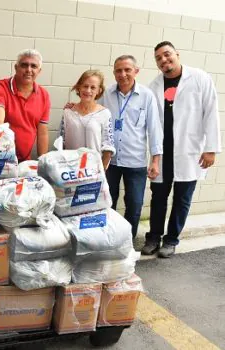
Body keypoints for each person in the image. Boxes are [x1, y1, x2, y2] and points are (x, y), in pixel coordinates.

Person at [142, 41, 221, 258]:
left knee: (182, 199)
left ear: (177, 54)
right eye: (159, 58)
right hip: (162, 152)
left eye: (167, 55)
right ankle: (153, 237)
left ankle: (171, 240)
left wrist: (211, 148)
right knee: (158, 197)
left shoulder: (199, 78)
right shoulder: (154, 86)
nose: (164, 60)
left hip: (190, 151)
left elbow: (211, 112)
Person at [99, 55, 163, 239]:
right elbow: (93, 112)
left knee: (134, 206)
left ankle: (127, 243)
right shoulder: (106, 94)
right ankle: (107, 241)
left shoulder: (146, 96)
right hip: (109, 161)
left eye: (127, 69)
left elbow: (154, 129)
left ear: (136, 71)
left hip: (136, 162)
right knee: (106, 203)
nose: (123, 74)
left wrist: (155, 161)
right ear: (114, 73)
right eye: (118, 70)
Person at [0, 49, 49, 161]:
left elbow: (42, 133)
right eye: (24, 65)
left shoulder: (44, 95)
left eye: (33, 66)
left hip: (24, 160)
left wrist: (43, 163)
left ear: (39, 71)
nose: (28, 70)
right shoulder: (0, 87)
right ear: (16, 67)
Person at [60, 70, 115, 170]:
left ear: (99, 90)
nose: (88, 90)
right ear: (79, 87)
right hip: (71, 170)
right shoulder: (68, 112)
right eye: (85, 86)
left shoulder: (105, 114)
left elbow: (108, 146)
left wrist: (101, 170)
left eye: (93, 87)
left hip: (93, 171)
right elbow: (61, 143)